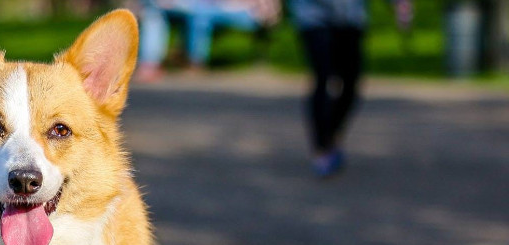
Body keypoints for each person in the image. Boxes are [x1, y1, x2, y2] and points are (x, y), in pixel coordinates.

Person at [290, 0, 412, 177]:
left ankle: (331, 135)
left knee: (351, 82)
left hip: (350, 16)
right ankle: (322, 148)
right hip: (312, 14)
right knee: (322, 76)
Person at [136, 0, 280, 80]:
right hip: (205, 8)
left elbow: (267, 9)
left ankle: (193, 62)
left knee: (199, 15)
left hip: (244, 11)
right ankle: (150, 64)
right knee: (153, 12)